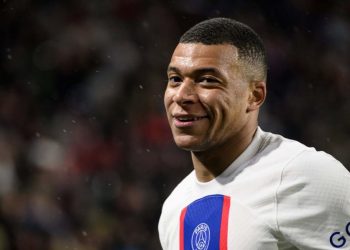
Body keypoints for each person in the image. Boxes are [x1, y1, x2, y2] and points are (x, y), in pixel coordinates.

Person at [158, 17, 350, 250]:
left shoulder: (304, 177)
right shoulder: (175, 208)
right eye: (175, 79)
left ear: (255, 96)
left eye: (207, 80)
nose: (181, 95)